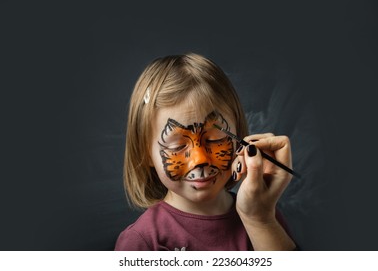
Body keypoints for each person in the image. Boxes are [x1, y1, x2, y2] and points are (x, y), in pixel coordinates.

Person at [115, 53, 296, 251]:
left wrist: (259, 221)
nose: (200, 159)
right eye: (178, 147)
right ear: (145, 153)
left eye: (215, 139)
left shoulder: (263, 214)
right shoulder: (142, 242)